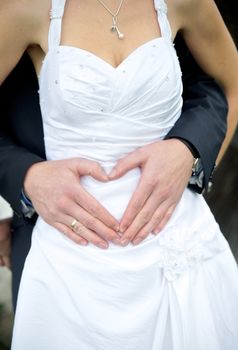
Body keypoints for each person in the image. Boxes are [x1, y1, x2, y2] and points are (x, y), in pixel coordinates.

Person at [0, 0, 238, 348]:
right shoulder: (28, 7)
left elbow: (229, 86)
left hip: (179, 247)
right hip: (70, 258)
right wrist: (29, 177)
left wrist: (193, 157)